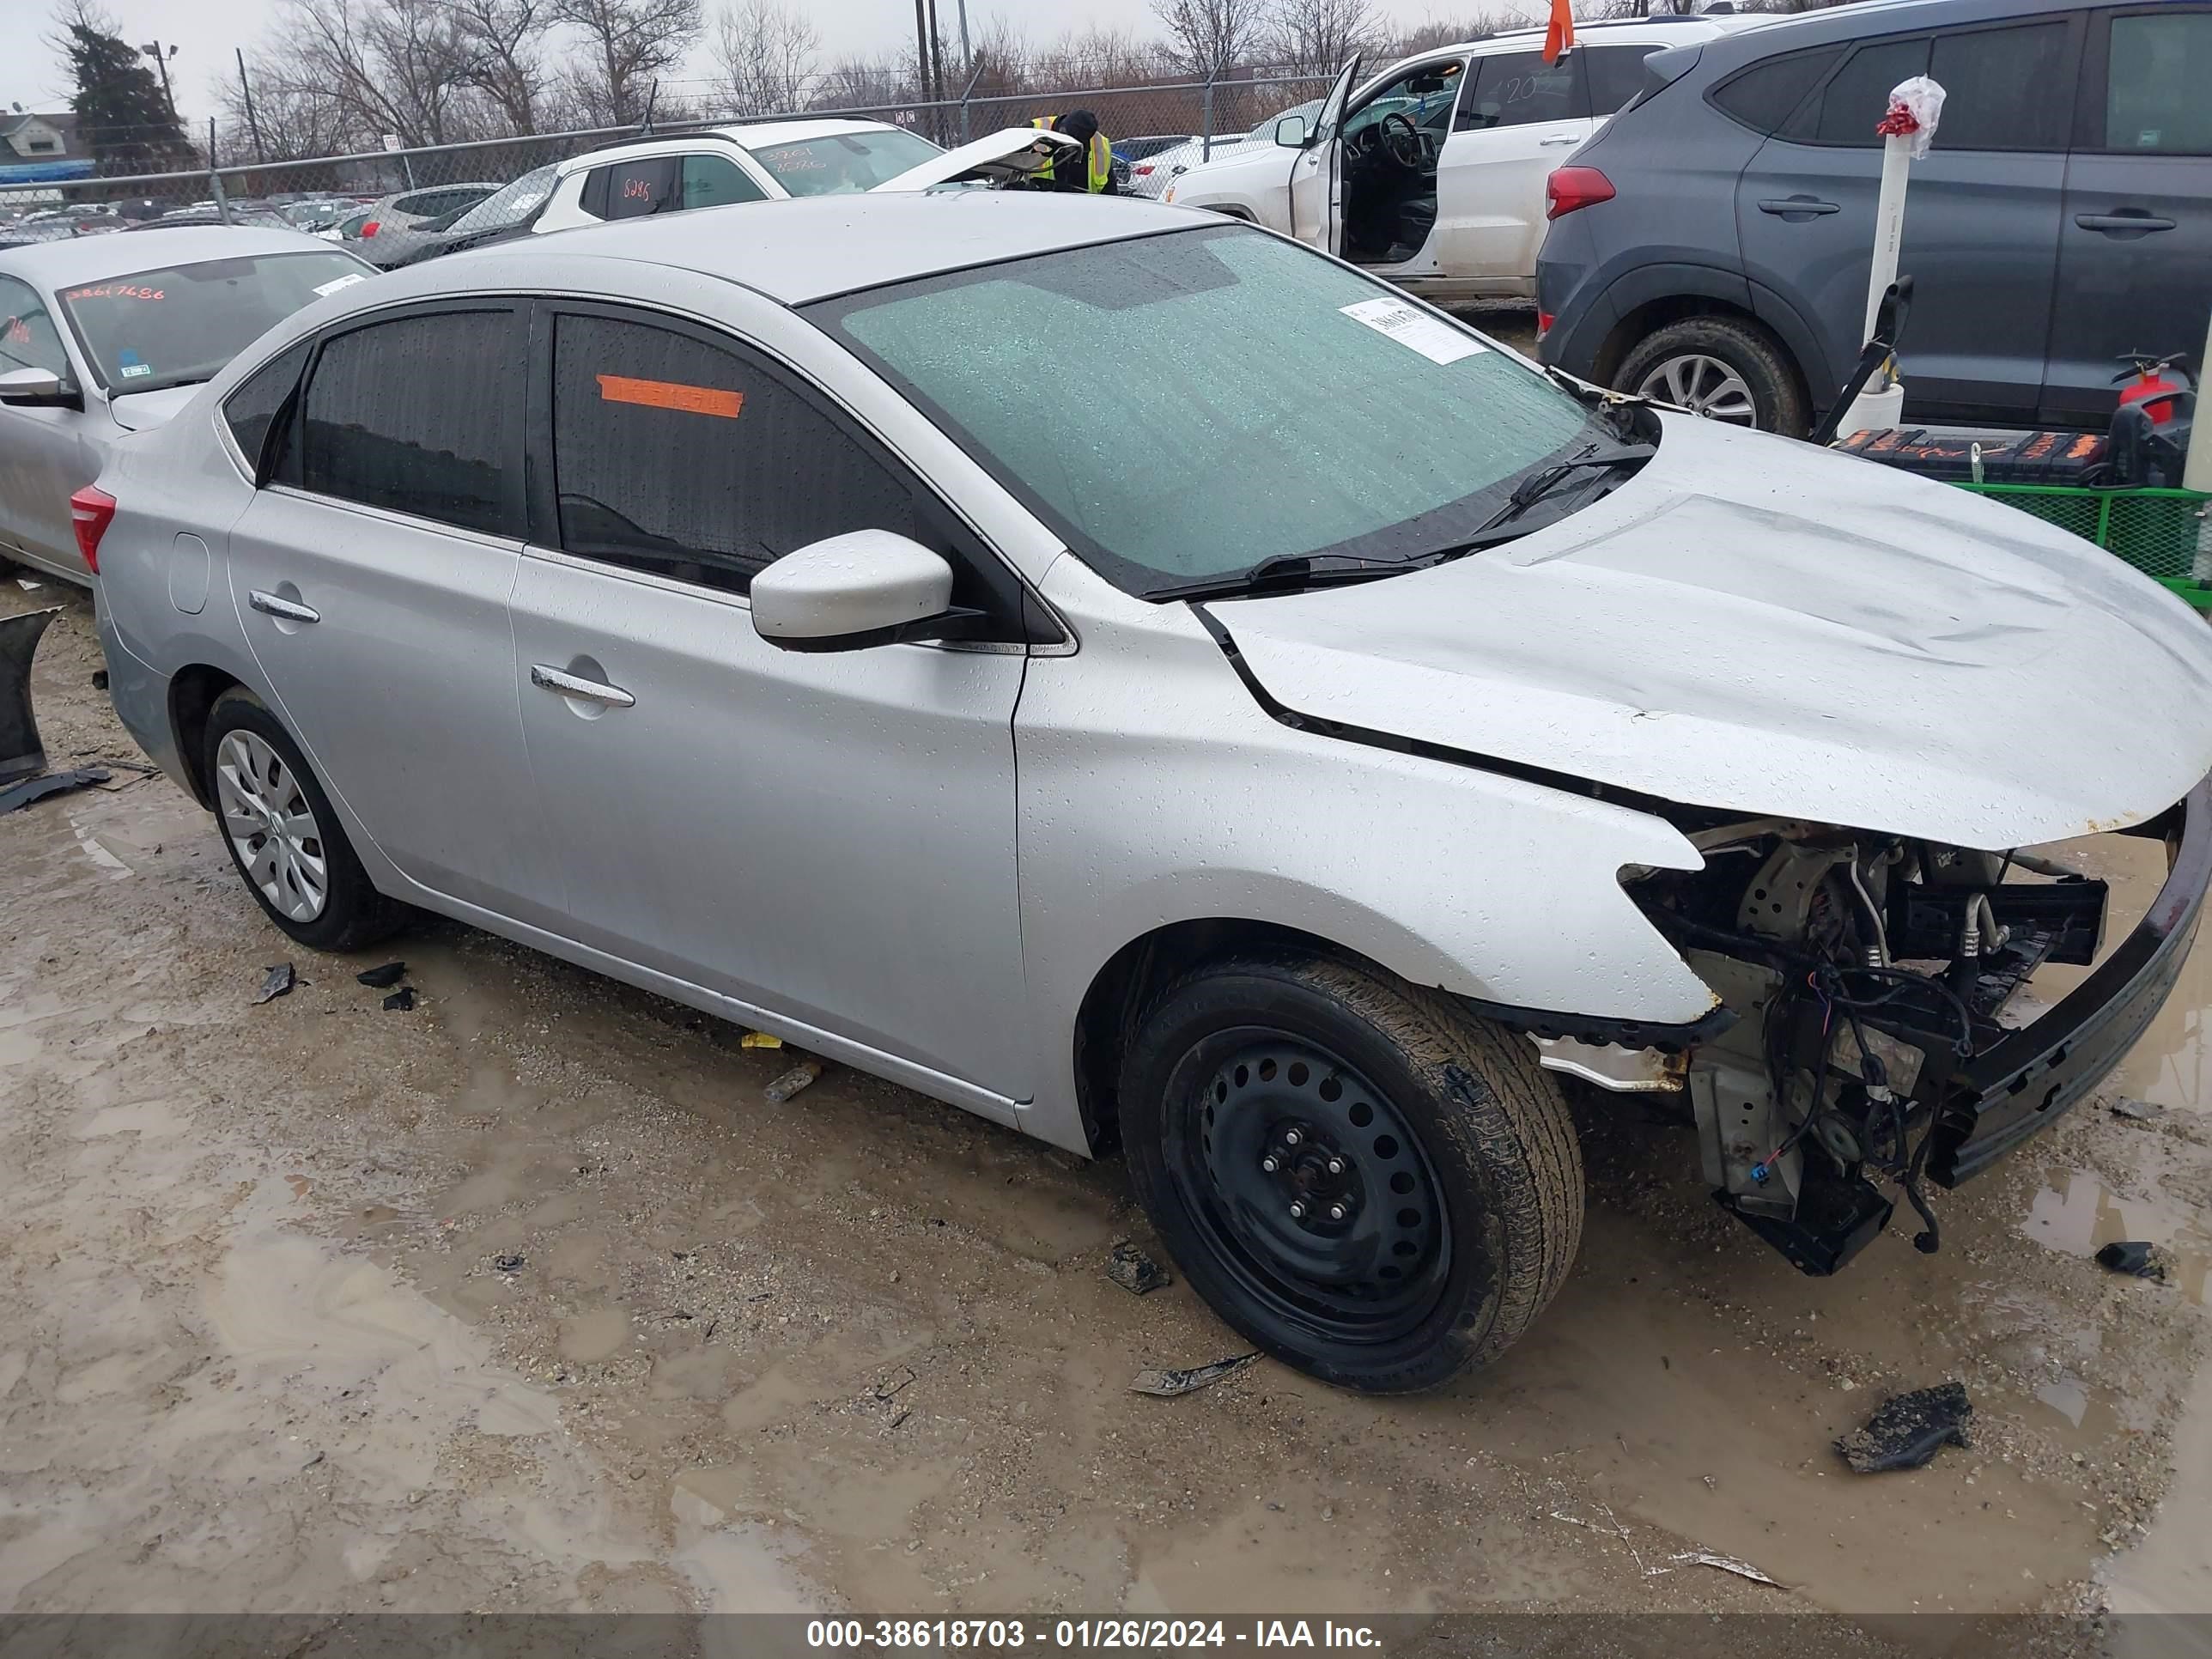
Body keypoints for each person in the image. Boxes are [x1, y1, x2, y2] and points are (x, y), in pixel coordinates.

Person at [1028, 109, 1116, 194]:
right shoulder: (1032, 130)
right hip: (1038, 201)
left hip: (1083, 205)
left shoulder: (1100, 145)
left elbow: (1110, 190)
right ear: (1062, 130)